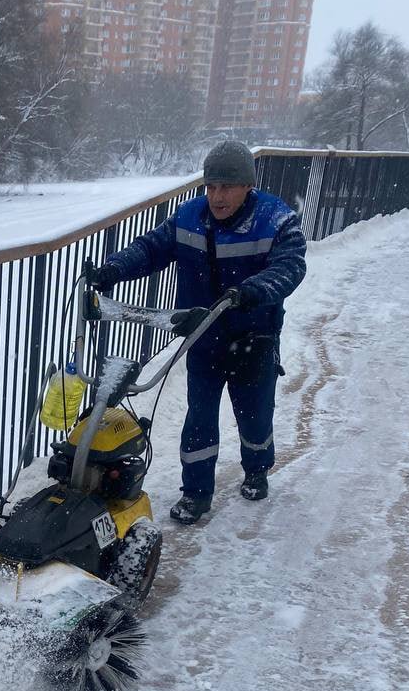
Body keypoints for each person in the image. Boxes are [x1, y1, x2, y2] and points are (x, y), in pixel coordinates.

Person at [90, 140, 307, 524]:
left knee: (254, 415)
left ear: (246, 187)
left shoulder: (276, 220)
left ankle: (257, 469)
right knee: (200, 418)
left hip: (254, 337)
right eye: (210, 186)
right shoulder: (190, 217)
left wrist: (252, 291)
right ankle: (196, 493)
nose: (216, 196)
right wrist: (113, 269)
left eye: (226, 187)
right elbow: (152, 248)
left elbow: (290, 267)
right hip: (203, 336)